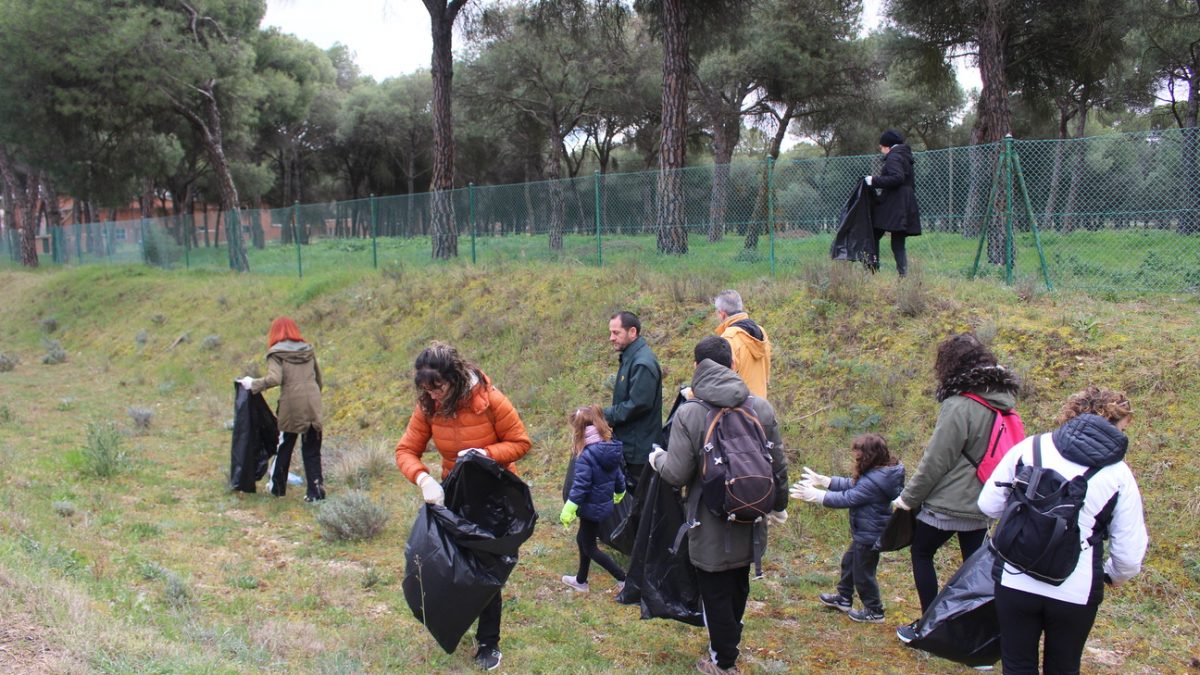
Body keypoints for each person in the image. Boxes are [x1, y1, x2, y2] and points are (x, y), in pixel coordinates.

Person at [978, 387, 1146, 674]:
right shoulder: (1118, 474)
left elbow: (989, 504)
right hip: (1075, 589)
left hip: (1016, 577)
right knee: (1064, 667)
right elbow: (1129, 555)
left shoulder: (1030, 448)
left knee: (1017, 664)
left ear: (1072, 413)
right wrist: (1112, 575)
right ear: (1115, 424)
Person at [650, 336, 788, 675]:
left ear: (697, 367)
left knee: (714, 590)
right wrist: (779, 504)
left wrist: (656, 458)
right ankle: (728, 643)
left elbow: (677, 472)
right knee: (739, 580)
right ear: (734, 365)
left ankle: (723, 662)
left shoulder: (691, 414)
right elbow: (778, 465)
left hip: (708, 519)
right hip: (752, 514)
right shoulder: (761, 408)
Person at [394, 342, 531, 671]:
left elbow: (521, 442)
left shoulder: (490, 401)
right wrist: (424, 480)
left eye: (438, 386)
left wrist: (485, 454)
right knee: (451, 565)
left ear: (454, 377)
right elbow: (405, 451)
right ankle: (453, 620)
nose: (433, 394)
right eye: (426, 388)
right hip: (452, 494)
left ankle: (489, 642)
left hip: (495, 497)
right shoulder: (429, 406)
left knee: (486, 570)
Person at [893, 333, 1020, 643]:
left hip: (948, 503)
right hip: (986, 501)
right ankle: (976, 635)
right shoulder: (1004, 402)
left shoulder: (959, 404)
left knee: (922, 552)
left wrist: (908, 499)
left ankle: (930, 625)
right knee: (975, 571)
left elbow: (936, 459)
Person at [791, 433, 905, 624]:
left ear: (869, 455)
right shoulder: (879, 473)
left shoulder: (874, 481)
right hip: (865, 531)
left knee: (863, 574)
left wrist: (818, 496)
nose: (856, 456)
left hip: (870, 534)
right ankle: (844, 598)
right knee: (849, 562)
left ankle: (874, 610)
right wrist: (826, 481)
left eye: (859, 453)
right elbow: (852, 485)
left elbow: (848, 497)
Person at [239, 316, 325, 502]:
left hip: (292, 404)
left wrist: (253, 384)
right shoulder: (308, 350)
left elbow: (275, 378)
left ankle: (277, 488)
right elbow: (319, 380)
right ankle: (316, 492)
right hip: (313, 402)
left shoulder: (276, 353)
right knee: (312, 447)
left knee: (285, 443)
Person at [559, 404, 627, 593]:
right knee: (583, 540)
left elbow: (580, 486)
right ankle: (581, 580)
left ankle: (624, 579)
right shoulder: (607, 448)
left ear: (580, 431)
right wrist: (619, 492)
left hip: (591, 508)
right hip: (600, 505)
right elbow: (619, 476)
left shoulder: (586, 455)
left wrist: (569, 508)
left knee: (589, 547)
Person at [604, 310, 663, 494]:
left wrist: (603, 415)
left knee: (639, 503)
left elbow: (638, 405)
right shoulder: (631, 358)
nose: (611, 338)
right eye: (611, 333)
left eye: (616, 333)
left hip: (639, 450)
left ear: (632, 332)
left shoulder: (642, 363)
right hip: (630, 444)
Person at [865, 129, 921, 276]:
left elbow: (897, 178)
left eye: (881, 146)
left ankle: (872, 270)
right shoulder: (905, 156)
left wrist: (873, 181)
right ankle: (903, 275)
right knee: (898, 240)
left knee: (873, 233)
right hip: (905, 202)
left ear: (887, 146)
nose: (881, 149)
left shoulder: (894, 157)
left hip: (894, 203)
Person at [713, 290, 771, 399]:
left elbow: (723, 381)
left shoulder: (729, 338)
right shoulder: (761, 331)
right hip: (761, 406)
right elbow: (767, 372)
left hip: (740, 409)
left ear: (722, 314)